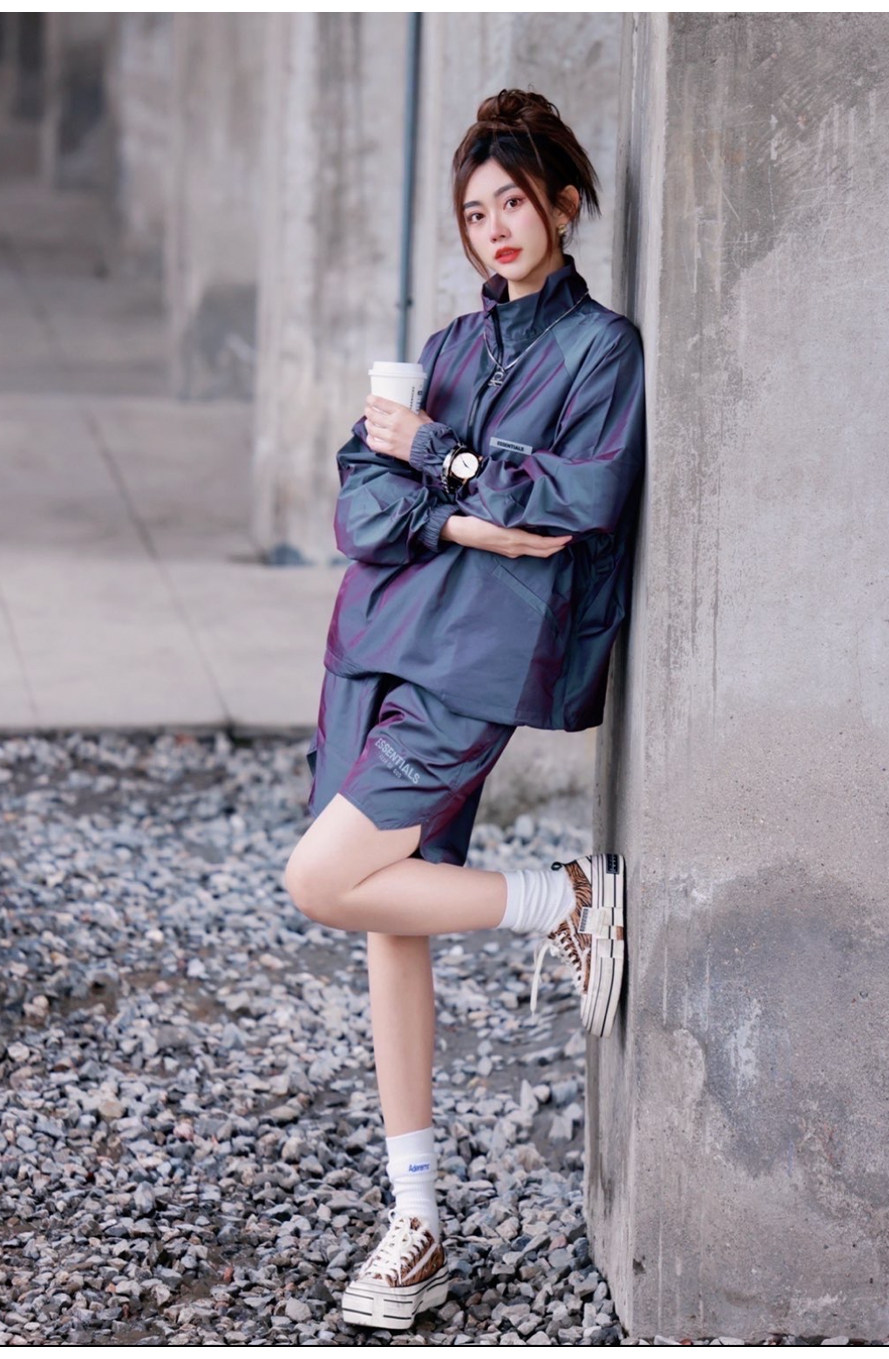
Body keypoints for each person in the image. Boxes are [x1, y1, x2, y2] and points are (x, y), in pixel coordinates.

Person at [285, 89, 645, 1332]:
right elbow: (358, 505)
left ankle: (566, 898)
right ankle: (418, 1221)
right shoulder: (444, 344)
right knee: (389, 918)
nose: (494, 227)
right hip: (372, 650)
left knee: (323, 879)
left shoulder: (601, 353)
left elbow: (568, 509)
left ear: (565, 205)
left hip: (472, 661)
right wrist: (463, 515)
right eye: (474, 210)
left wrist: (438, 458)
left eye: (514, 203)